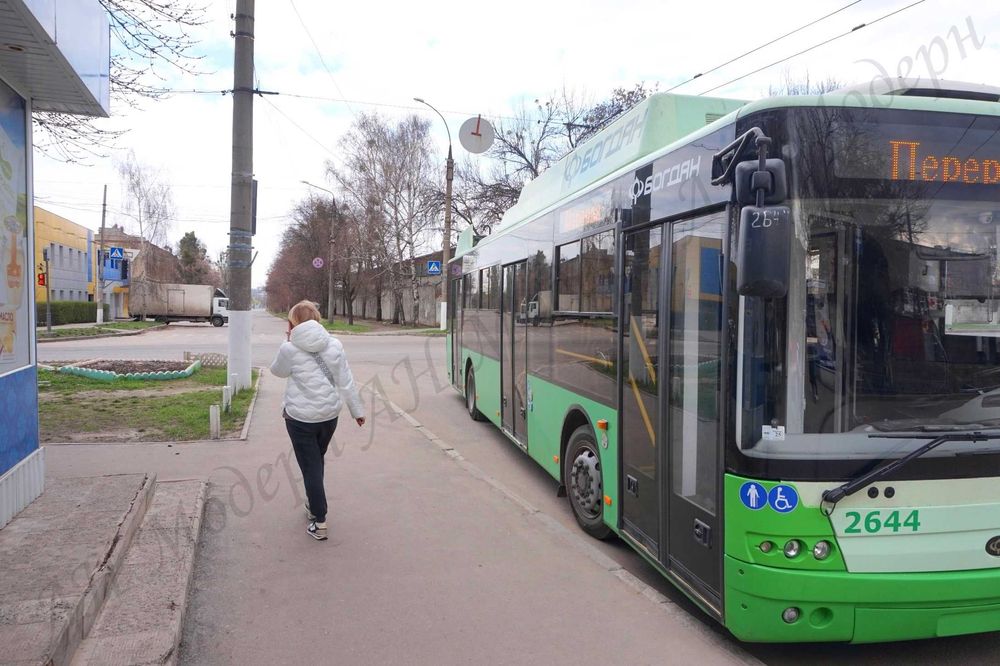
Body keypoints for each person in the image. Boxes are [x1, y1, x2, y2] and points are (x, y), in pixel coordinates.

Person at [270, 300, 365, 541]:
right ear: (317, 318)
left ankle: (319, 520)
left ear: (293, 322)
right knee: (316, 462)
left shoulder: (289, 348)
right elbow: (346, 380)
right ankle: (313, 505)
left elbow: (277, 372)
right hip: (329, 417)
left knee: (310, 466)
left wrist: (286, 342)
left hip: (299, 419)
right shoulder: (334, 345)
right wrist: (357, 411)